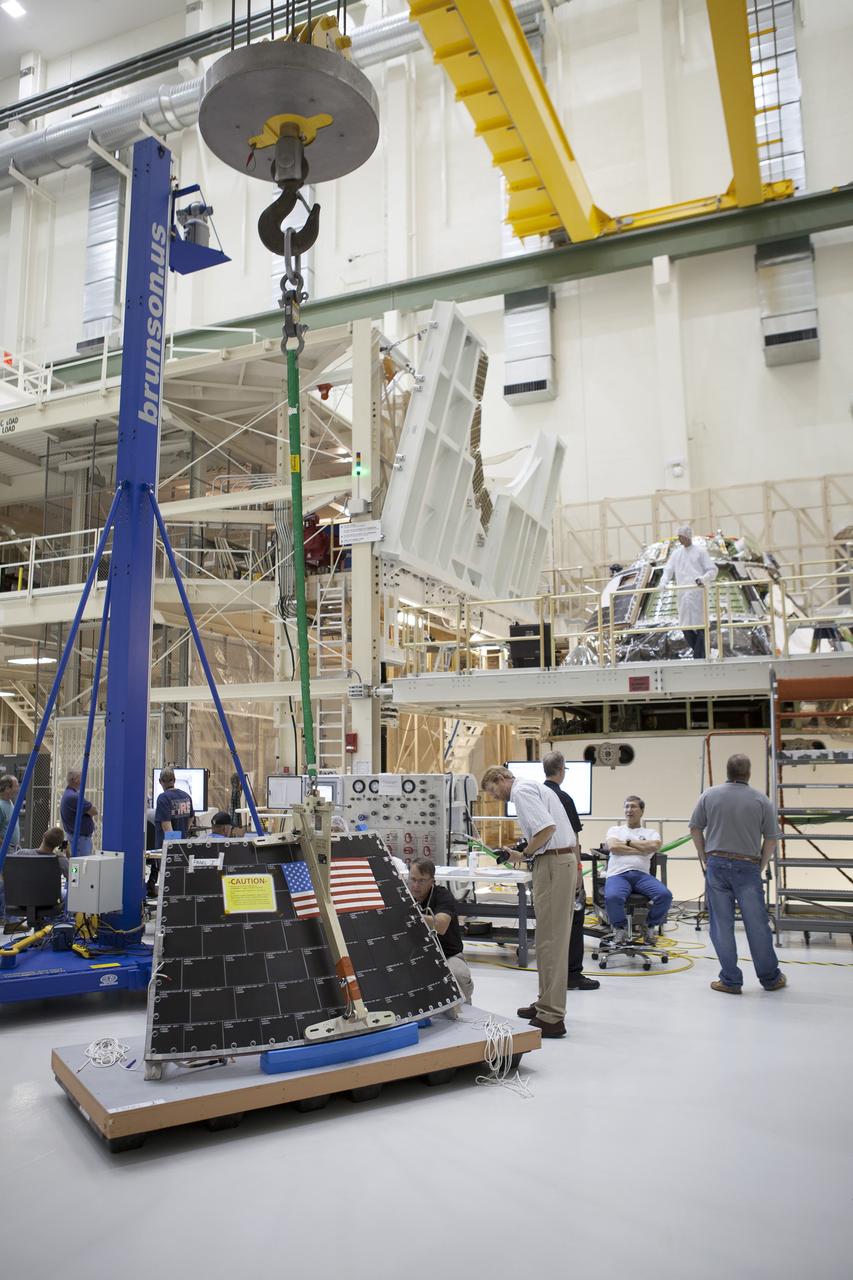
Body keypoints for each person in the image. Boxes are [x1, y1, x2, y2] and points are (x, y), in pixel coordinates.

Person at [481, 765, 576, 1039]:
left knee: (551, 942)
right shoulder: (534, 787)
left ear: (501, 779)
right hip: (558, 861)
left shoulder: (521, 790)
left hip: (553, 864)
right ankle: (544, 1003)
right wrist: (522, 849)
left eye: (493, 791)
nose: (496, 797)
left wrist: (524, 855)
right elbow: (547, 829)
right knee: (548, 939)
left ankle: (552, 1017)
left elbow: (546, 828)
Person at [690, 753, 785, 995]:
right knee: (757, 925)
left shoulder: (709, 795)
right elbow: (772, 840)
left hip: (716, 864)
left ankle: (731, 980)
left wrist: (704, 857)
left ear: (728, 772)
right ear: (748, 773)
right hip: (748, 866)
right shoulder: (761, 800)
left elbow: (695, 828)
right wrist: (760, 865)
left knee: (721, 925)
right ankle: (771, 979)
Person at [541, 750, 599, 991]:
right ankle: (573, 974)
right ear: (562, 770)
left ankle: (553, 976)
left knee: (549, 924)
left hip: (542, 865)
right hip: (563, 864)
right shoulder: (563, 798)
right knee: (574, 919)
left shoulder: (537, 795)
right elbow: (572, 838)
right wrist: (578, 872)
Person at [604, 796, 672, 944]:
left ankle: (648, 926)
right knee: (612, 897)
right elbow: (613, 847)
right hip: (618, 875)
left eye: (633, 806)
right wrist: (641, 849)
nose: (629, 810)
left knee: (665, 895)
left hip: (641, 876)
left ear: (642, 811)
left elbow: (654, 846)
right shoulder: (615, 830)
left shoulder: (650, 833)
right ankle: (619, 929)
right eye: (627, 806)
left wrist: (627, 844)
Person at [408, 856, 474, 1004]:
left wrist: (411, 915)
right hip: (417, 955)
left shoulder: (443, 896)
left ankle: (465, 1006)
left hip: (448, 955)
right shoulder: (404, 895)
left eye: (421, 881)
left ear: (432, 881)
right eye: (412, 879)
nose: (415, 885)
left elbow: (441, 926)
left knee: (459, 976)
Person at [659, 524, 717, 659]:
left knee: (701, 625)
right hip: (683, 595)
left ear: (687, 536)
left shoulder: (700, 552)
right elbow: (668, 569)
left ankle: (699, 657)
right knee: (686, 627)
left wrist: (704, 579)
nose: (680, 540)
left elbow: (712, 570)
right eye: (678, 537)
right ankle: (701, 655)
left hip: (698, 594)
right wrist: (663, 581)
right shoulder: (676, 554)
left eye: (682, 537)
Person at [149, 768, 195, 895]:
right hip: (182, 843)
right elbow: (191, 816)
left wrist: (173, 846)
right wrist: (185, 830)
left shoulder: (163, 798)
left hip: (169, 846)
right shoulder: (186, 796)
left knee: (167, 879)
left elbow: (166, 825)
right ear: (174, 780)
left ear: (160, 781)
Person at [59, 769, 97, 857]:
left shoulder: (70, 794)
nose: (83, 780)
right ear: (75, 780)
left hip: (78, 838)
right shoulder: (74, 797)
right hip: (80, 840)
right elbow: (94, 811)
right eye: (81, 778)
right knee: (82, 867)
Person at [0, 773, 22, 924]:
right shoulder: (1, 805)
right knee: (5, 884)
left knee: (9, 883)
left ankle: (8, 916)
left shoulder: (9, 802)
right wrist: (4, 846)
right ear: (7, 788)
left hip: (12, 848)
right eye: (15, 786)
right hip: (5, 850)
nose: (17, 789)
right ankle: (6, 917)